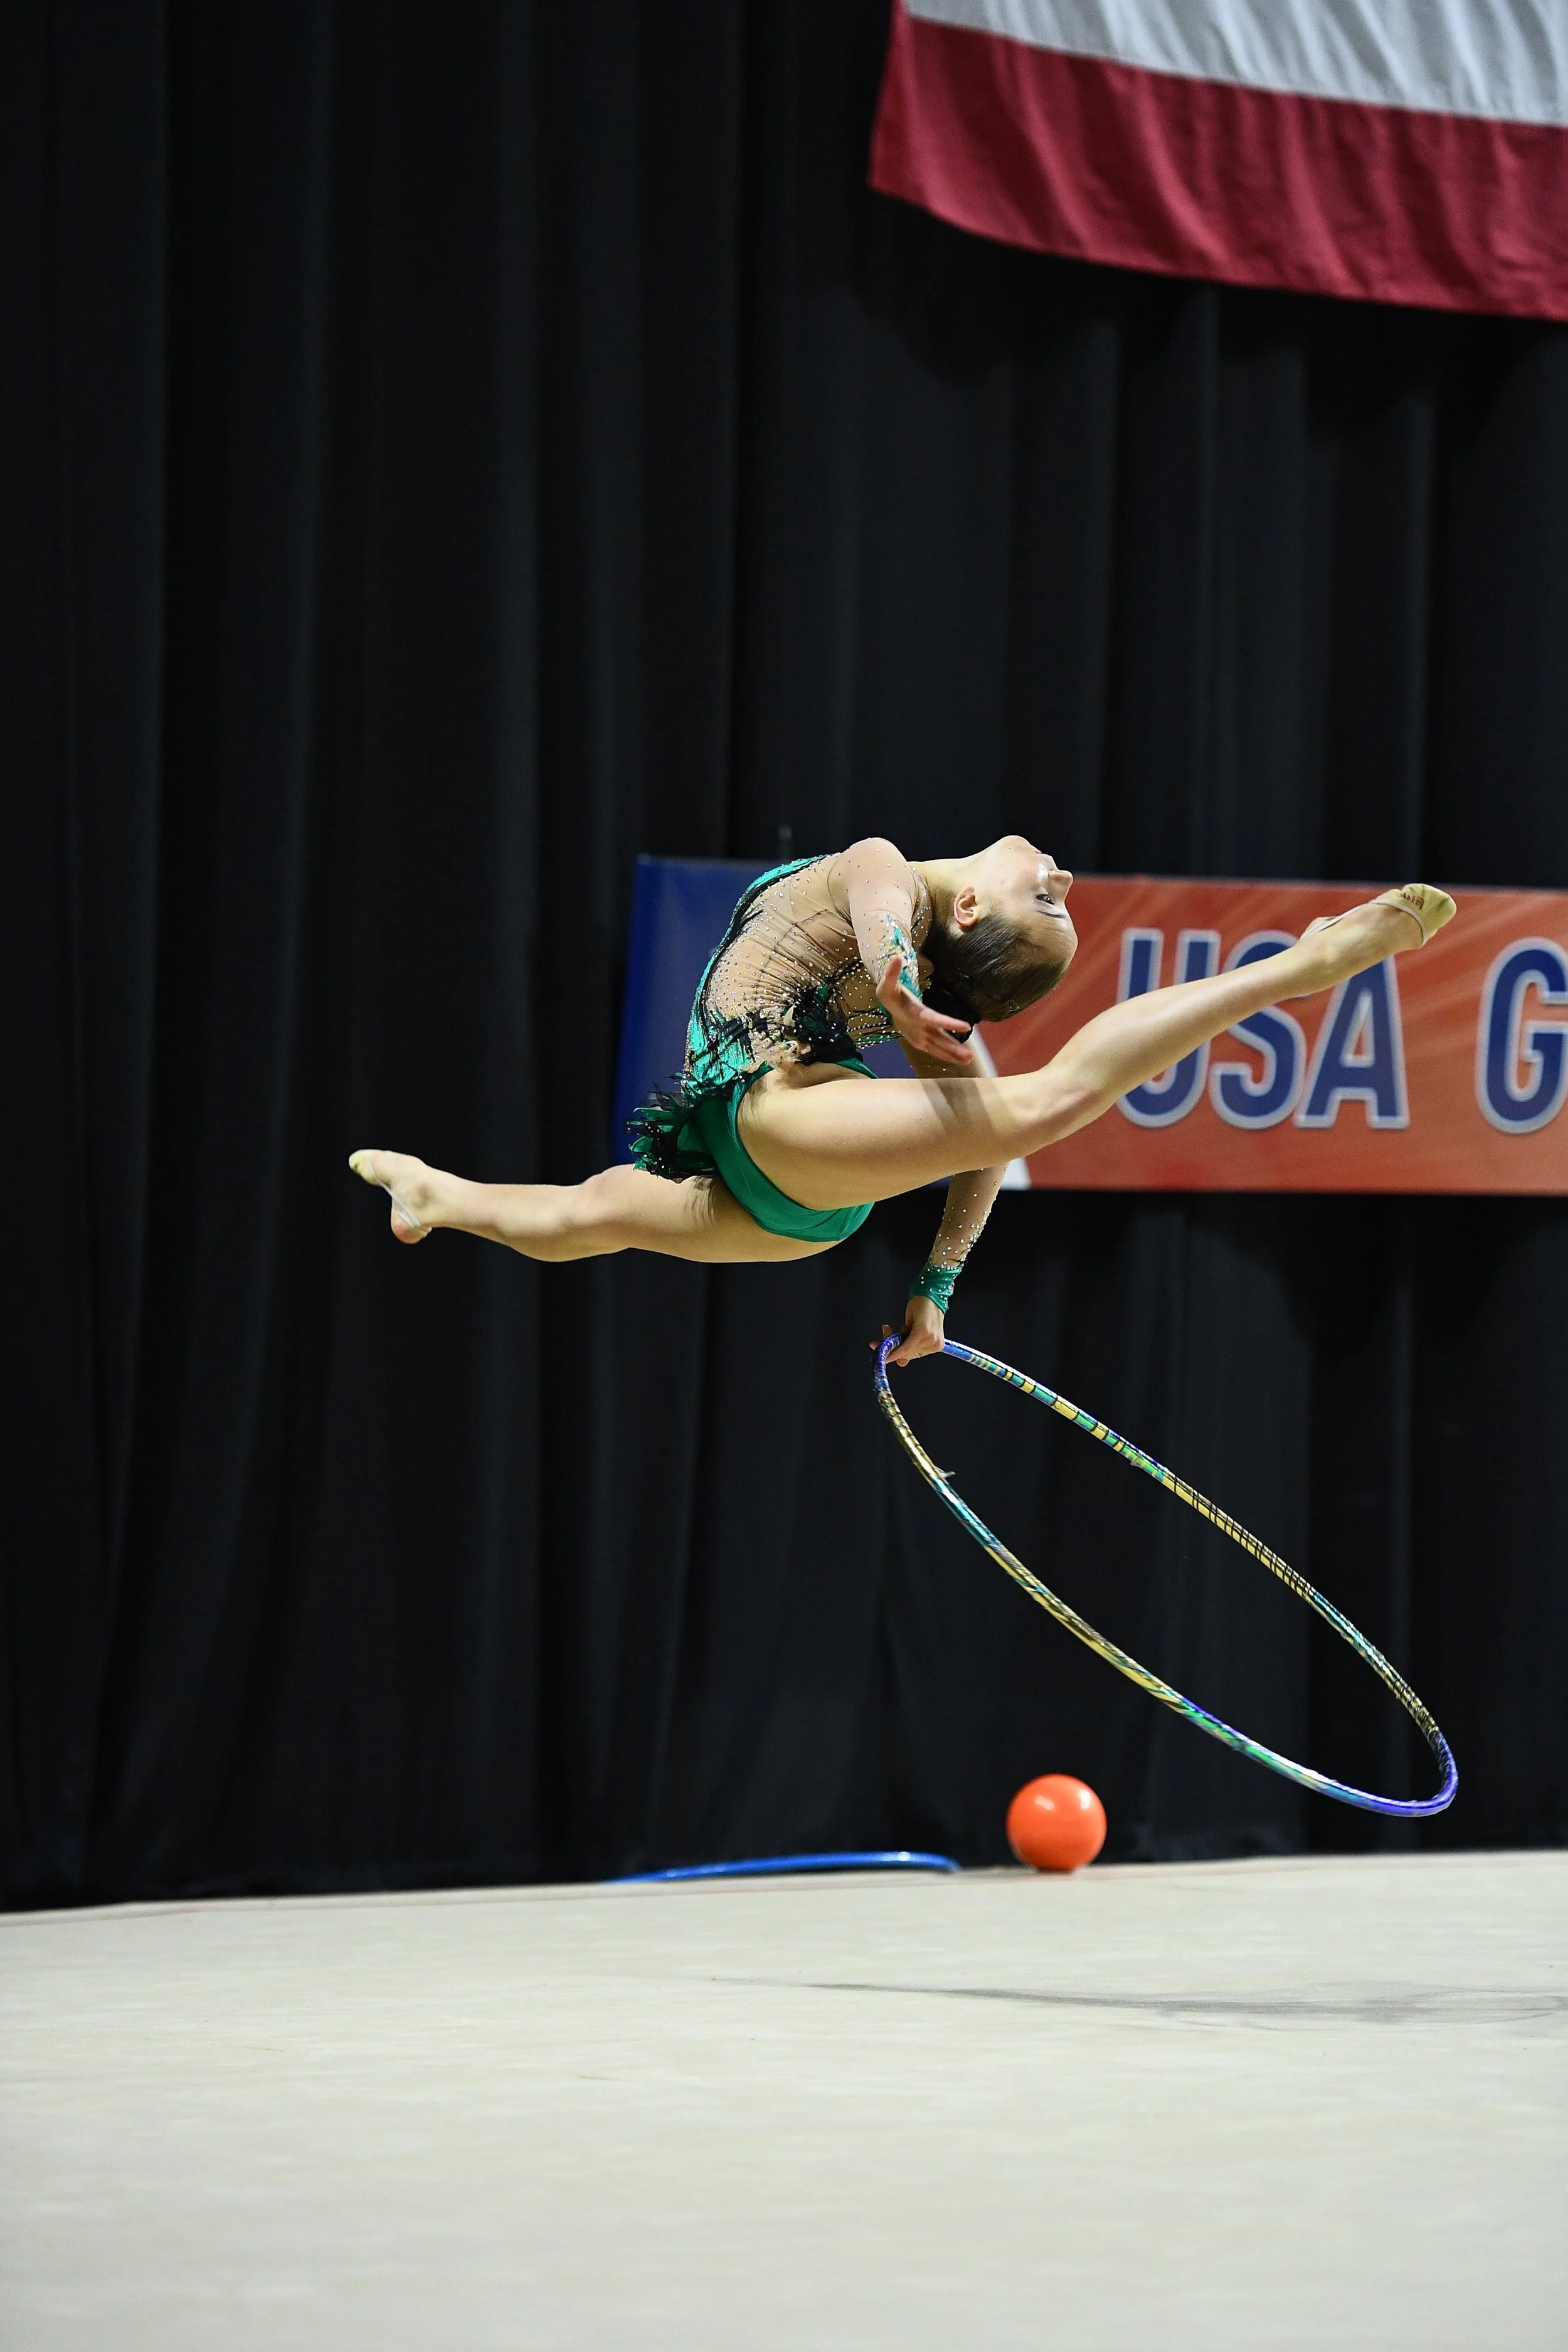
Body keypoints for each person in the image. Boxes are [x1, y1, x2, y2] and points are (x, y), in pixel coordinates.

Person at [349, 839, 1453, 1364]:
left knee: (1037, 1104)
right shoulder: (885, 909)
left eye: (1047, 902)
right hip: (788, 1204)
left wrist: (937, 1282)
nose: (1064, 881)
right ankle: (439, 1195)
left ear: (969, 901)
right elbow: (880, 900)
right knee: (587, 1215)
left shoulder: (903, 946)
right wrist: (894, 980)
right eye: (1059, 902)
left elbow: (982, 1147)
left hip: (777, 1130)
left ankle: (1295, 970)